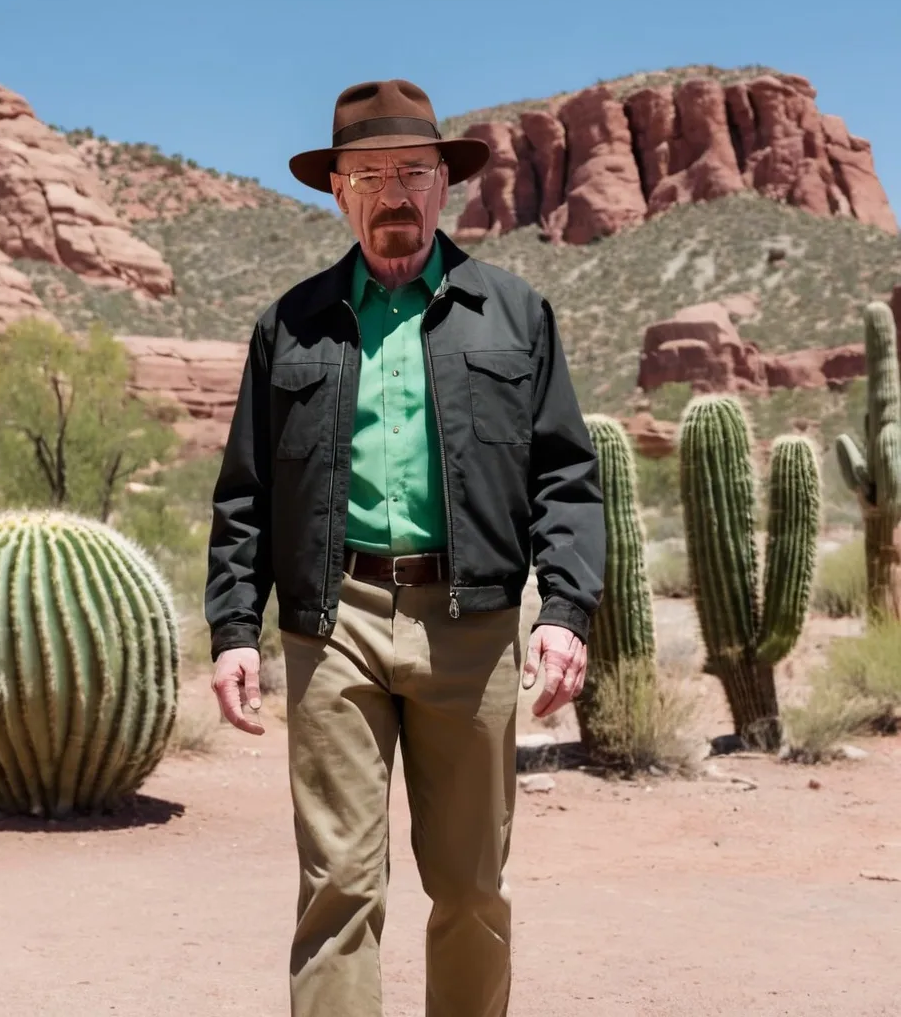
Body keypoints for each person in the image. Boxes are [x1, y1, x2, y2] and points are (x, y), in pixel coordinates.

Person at [204, 78, 606, 1017]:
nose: (395, 192)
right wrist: (233, 627)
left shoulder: (515, 316)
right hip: (330, 623)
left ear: (445, 185)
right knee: (339, 884)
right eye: (372, 173)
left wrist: (568, 612)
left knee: (470, 888)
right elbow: (246, 493)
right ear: (338, 189)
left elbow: (565, 476)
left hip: (472, 624)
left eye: (414, 172)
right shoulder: (290, 326)